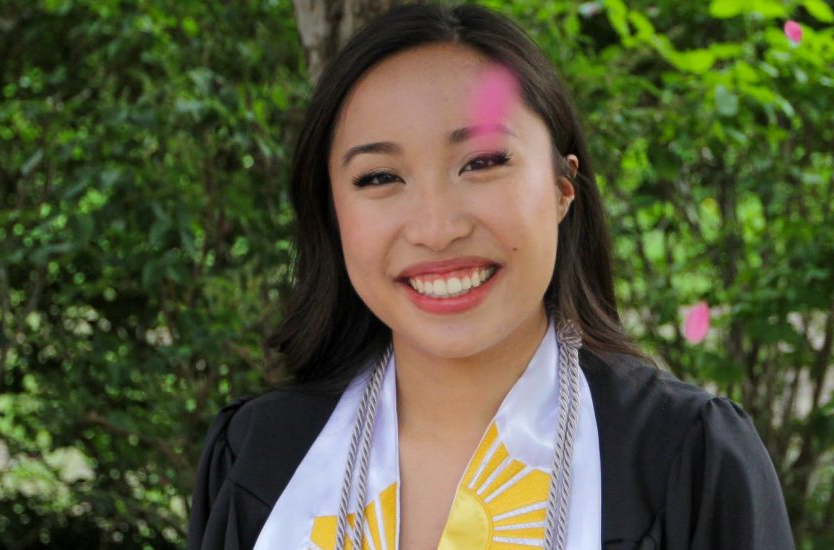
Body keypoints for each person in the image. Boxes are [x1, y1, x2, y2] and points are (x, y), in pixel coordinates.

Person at [187, 3, 795, 549]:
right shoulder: (260, 456)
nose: (435, 227)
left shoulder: (685, 459)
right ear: (333, 212)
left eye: (481, 162)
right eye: (378, 177)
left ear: (563, 188)